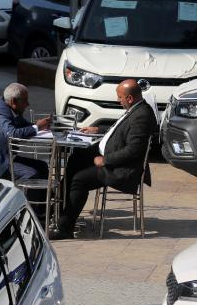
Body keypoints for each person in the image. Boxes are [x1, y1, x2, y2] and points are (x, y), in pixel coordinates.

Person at [50, 79, 157, 240]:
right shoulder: (135, 108)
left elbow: (133, 150)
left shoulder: (142, 115)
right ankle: (59, 210)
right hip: (107, 153)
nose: (117, 100)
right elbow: (121, 129)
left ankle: (65, 227)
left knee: (80, 180)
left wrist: (105, 160)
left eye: (120, 97)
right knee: (75, 159)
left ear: (129, 98)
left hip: (121, 169)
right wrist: (99, 130)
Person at [0, 83, 51, 180]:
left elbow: (22, 124)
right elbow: (12, 134)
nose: (27, 104)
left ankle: (46, 195)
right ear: (14, 101)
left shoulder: (9, 108)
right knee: (31, 174)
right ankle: (22, 195)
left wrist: (40, 125)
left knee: (42, 166)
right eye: (25, 100)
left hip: (4, 156)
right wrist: (36, 127)